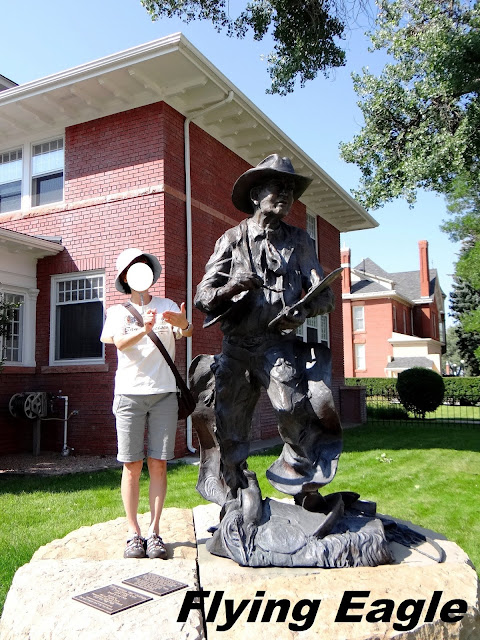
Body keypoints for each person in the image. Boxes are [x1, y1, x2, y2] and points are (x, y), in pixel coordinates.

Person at [194, 155, 342, 507]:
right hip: (236, 347)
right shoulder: (232, 239)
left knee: (293, 408)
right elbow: (202, 297)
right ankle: (235, 492)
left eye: (290, 190)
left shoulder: (300, 241)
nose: (287, 195)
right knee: (229, 425)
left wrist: (304, 310)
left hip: (276, 344)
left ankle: (301, 483)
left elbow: (325, 297)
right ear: (256, 195)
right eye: (278, 187)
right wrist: (233, 286)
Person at [101, 248, 193, 559]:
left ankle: (154, 531)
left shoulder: (167, 306)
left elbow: (186, 331)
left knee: (158, 463)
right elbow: (119, 344)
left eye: (144, 265)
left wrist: (184, 322)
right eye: (133, 268)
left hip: (164, 393)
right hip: (129, 395)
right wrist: (144, 330)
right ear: (125, 277)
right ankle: (133, 533)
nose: (140, 271)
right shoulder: (117, 312)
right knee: (131, 465)